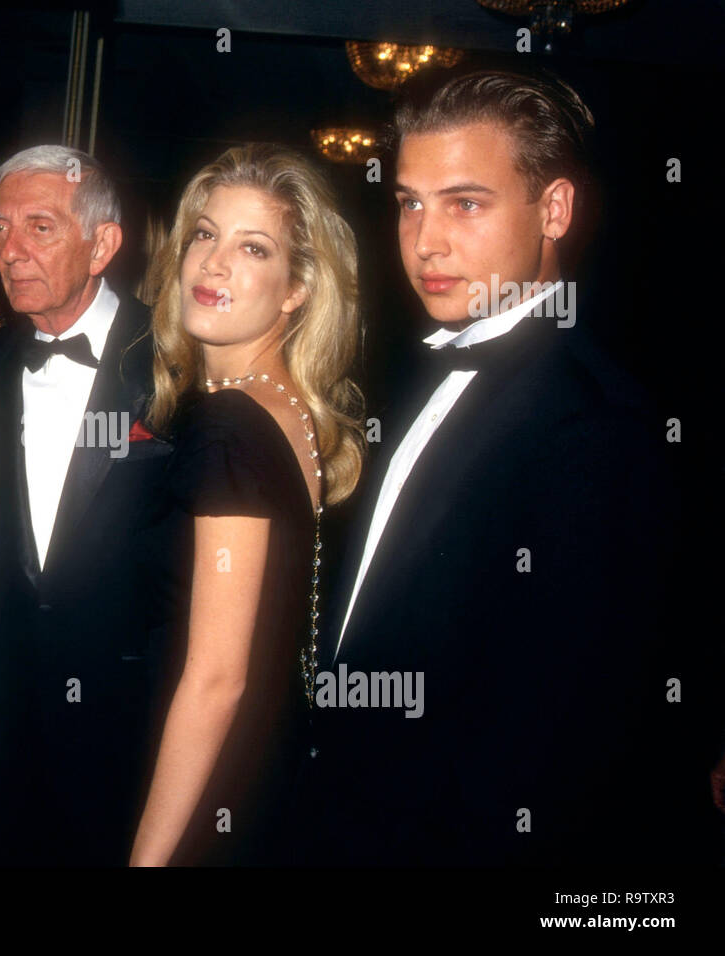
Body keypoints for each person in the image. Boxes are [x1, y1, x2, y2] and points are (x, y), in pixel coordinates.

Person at [292, 67, 713, 864]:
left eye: (466, 203)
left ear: (554, 209)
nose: (426, 241)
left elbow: (557, 754)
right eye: (410, 202)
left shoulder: (595, 425)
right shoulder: (418, 371)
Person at [128, 144, 365, 865]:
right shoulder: (289, 408)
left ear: (297, 289)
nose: (215, 263)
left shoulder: (229, 424)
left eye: (253, 247)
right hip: (261, 781)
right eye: (205, 233)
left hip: (204, 800)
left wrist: (146, 860)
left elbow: (217, 679)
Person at [0, 145, 175, 865]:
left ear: (102, 244)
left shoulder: (178, 363)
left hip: (130, 734)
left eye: (40, 227)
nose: (10, 250)